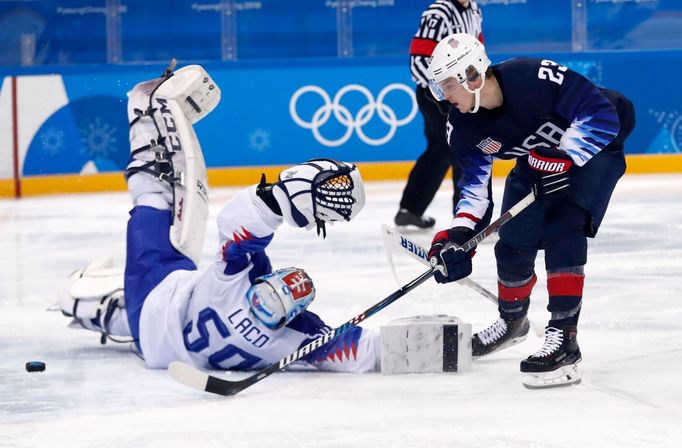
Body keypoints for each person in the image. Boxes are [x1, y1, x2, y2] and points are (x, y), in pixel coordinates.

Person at [57, 64, 380, 374]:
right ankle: (94, 310)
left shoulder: (232, 282)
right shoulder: (291, 341)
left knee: (155, 195)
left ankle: (144, 113)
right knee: (124, 312)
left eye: (263, 302)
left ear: (264, 282)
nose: (259, 305)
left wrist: (284, 196)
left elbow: (236, 223)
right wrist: (426, 340)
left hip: (156, 290)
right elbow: (364, 353)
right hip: (158, 345)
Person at [425, 34, 635, 387]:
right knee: (512, 243)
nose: (445, 96)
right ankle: (512, 322)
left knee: (563, 223)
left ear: (473, 76)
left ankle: (564, 337)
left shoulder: (534, 77)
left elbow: (603, 113)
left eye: (449, 85)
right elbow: (474, 191)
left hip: (596, 143)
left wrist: (563, 157)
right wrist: (458, 238)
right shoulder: (461, 126)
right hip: (540, 157)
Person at [395, 0, 493, 230]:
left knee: (441, 149)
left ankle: (411, 209)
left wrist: (478, 86)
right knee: (459, 146)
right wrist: (439, 93)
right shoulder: (438, 12)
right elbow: (418, 59)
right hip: (437, 95)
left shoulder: (475, 10)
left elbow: (477, 51)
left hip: (464, 93)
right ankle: (466, 216)